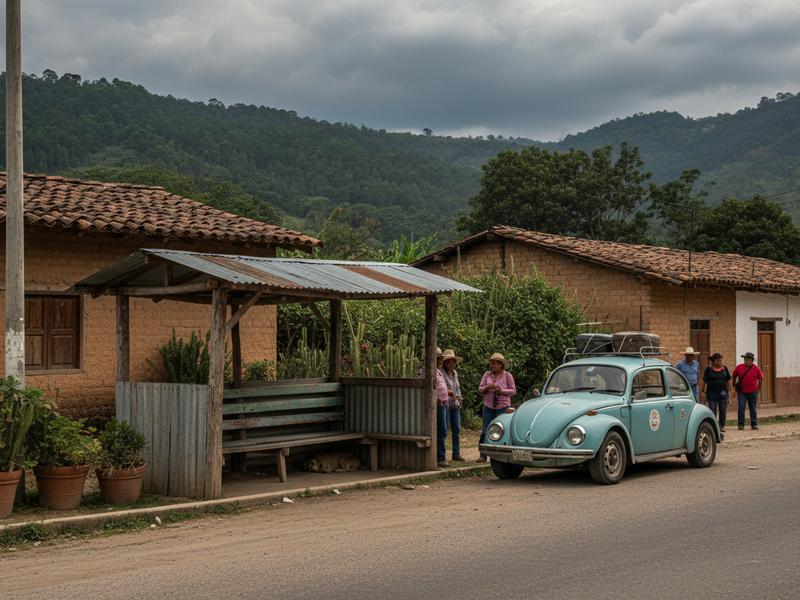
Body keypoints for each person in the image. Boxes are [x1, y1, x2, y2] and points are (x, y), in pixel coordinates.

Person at [477, 353, 516, 462]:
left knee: (502, 430)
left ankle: (500, 455)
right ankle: (482, 455)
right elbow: (480, 389)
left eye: (495, 363)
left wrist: (501, 391)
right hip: (488, 406)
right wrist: (487, 387)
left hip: (503, 407)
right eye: (491, 363)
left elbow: (513, 391)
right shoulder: (487, 375)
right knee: (485, 429)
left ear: (501, 365)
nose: (492, 365)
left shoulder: (508, 375)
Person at [441, 349, 465, 462]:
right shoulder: (441, 373)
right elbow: (442, 389)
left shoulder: (455, 373)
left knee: (456, 429)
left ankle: (456, 453)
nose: (452, 364)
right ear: (445, 362)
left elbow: (457, 388)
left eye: (454, 362)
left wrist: (459, 398)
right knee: (444, 429)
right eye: (450, 361)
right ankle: (442, 455)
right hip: (445, 404)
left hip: (455, 405)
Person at [732, 352, 764, 430]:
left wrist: (758, 389)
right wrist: (734, 384)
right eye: (745, 358)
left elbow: (761, 378)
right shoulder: (739, 367)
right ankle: (741, 424)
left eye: (747, 359)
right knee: (741, 407)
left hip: (753, 391)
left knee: (753, 408)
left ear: (751, 360)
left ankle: (754, 424)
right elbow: (734, 375)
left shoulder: (756, 368)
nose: (745, 360)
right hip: (742, 391)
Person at [701, 353, 731, 432]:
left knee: (723, 410)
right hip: (711, 394)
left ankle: (721, 426)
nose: (720, 362)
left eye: (720, 360)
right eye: (718, 360)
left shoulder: (725, 369)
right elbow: (704, 381)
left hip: (723, 393)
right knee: (712, 410)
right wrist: (702, 391)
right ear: (713, 361)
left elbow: (728, 381)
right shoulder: (708, 370)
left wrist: (730, 392)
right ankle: (714, 427)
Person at [434, 348, 450, 467]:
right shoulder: (426, 370)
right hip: (437, 405)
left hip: (444, 404)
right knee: (441, 430)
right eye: (439, 358)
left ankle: (440, 456)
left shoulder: (438, 371)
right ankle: (440, 457)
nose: (441, 360)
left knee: (443, 430)